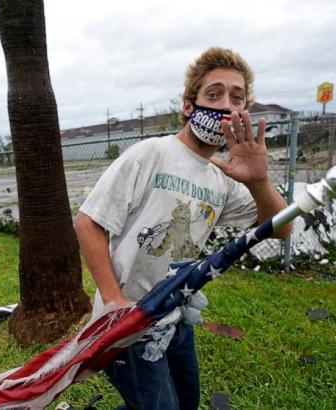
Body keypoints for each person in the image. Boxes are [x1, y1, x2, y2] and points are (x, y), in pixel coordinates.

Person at [74, 47, 292, 410]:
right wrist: (114, 302)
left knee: (185, 403)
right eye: (214, 94)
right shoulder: (151, 154)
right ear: (189, 105)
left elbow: (281, 229)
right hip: (129, 324)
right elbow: (88, 222)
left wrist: (259, 180)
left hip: (175, 317)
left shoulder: (222, 177)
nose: (225, 105)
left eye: (236, 98)